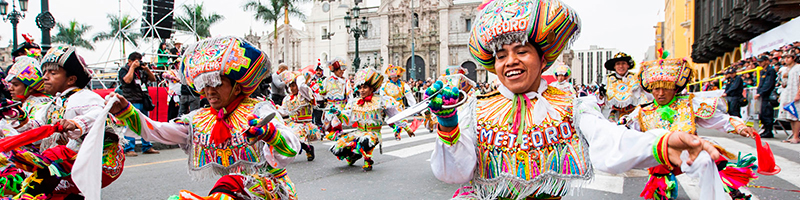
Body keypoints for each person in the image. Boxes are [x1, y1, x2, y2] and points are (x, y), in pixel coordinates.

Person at [426, 0, 723, 199]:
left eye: (521, 51)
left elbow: (609, 140)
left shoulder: (572, 104)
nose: (510, 62)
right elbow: (454, 172)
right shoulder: (477, 107)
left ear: (543, 59)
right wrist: (447, 124)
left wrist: (663, 145)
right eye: (501, 55)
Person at [107, 36, 300, 199]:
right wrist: (126, 110)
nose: (210, 91)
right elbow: (158, 131)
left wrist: (269, 134)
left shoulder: (258, 111)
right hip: (235, 191)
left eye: (217, 83)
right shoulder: (200, 119)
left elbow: (292, 147)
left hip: (271, 190)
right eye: (205, 85)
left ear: (237, 87)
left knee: (226, 186)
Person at [621, 58, 757, 200]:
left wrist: (740, 127)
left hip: (691, 149)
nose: (661, 93)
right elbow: (625, 132)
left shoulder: (689, 103)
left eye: (666, 88)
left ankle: (734, 193)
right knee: (659, 176)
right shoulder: (643, 112)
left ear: (675, 89)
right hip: (663, 155)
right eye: (656, 89)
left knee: (715, 158)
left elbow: (717, 119)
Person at [2, 45, 127, 199]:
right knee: (51, 192)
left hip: (97, 161)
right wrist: (17, 115)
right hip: (67, 163)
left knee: (43, 176)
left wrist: (77, 123)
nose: (45, 77)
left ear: (71, 79)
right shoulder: (53, 104)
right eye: (45, 72)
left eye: (53, 73)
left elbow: (99, 113)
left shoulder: (84, 97)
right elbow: (37, 128)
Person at [328, 67, 399, 171]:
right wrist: (338, 113)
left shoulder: (381, 100)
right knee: (338, 148)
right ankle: (354, 155)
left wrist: (404, 128)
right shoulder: (354, 102)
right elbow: (347, 118)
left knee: (365, 141)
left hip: (373, 133)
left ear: (371, 88)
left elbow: (394, 115)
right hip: (359, 131)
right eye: (360, 88)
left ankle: (367, 159)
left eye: (365, 87)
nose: (361, 90)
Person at [118, 52, 160, 156]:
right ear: (129, 61)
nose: (138, 64)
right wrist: (132, 68)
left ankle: (147, 146)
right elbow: (127, 80)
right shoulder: (124, 70)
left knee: (145, 124)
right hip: (131, 101)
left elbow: (153, 79)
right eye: (136, 61)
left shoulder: (141, 70)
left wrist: (146, 69)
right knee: (131, 125)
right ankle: (129, 148)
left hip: (143, 100)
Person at [277, 71, 319, 161]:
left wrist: (299, 77)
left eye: (294, 85)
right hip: (293, 123)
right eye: (290, 86)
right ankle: (307, 148)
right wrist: (274, 108)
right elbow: (284, 111)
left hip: (305, 124)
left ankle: (307, 148)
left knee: (295, 135)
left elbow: (302, 87)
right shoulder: (287, 98)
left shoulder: (304, 95)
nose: (292, 88)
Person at [604, 52, 647, 122]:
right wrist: (601, 94)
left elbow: (642, 96)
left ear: (628, 65)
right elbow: (600, 99)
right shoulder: (608, 79)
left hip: (633, 112)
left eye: (623, 63)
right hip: (615, 113)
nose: (621, 66)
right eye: (618, 64)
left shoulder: (635, 78)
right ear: (614, 67)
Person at [380, 65, 418, 140]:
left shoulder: (403, 85)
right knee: (390, 121)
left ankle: (397, 132)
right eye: (393, 77)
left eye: (396, 76)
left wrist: (414, 107)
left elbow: (409, 96)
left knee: (401, 120)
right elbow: (382, 95)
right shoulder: (385, 85)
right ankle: (396, 129)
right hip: (388, 106)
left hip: (399, 105)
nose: (394, 78)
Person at [320, 58, 352, 140]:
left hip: (340, 107)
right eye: (339, 70)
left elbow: (350, 96)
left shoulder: (346, 81)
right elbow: (322, 94)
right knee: (328, 126)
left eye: (343, 70)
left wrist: (348, 108)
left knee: (336, 125)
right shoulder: (327, 80)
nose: (342, 72)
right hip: (329, 107)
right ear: (335, 70)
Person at [779, 52, 800, 143]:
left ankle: (796, 136)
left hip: (795, 92)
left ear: (793, 58)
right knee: (790, 116)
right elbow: (784, 85)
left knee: (796, 115)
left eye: (788, 57)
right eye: (784, 58)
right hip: (787, 93)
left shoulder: (798, 67)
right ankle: (793, 135)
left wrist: (798, 94)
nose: (786, 59)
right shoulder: (785, 69)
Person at [755, 55, 777, 138]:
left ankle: (769, 131)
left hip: (767, 95)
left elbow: (768, 84)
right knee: (762, 113)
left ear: (766, 61)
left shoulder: (770, 71)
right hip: (762, 96)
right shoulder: (763, 71)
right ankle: (765, 129)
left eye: (761, 61)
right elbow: (761, 84)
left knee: (767, 113)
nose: (759, 63)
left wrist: (761, 93)